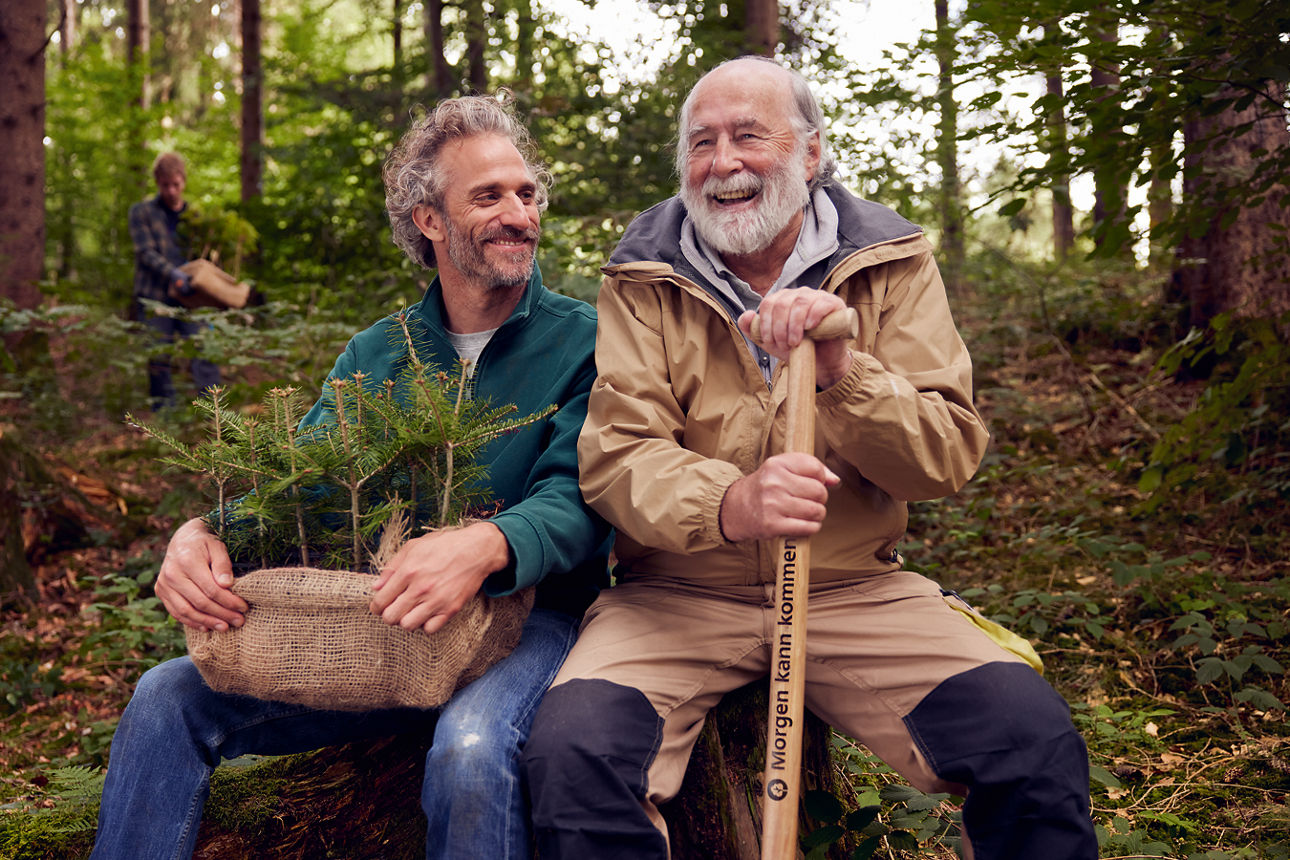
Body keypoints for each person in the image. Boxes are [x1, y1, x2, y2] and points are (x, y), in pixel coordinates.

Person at [520, 57, 1098, 859]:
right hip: (674, 596)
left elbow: (946, 456)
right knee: (574, 753)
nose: (723, 163)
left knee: (1027, 741)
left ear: (812, 152)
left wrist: (841, 374)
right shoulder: (642, 277)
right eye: (702, 143)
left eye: (749, 136)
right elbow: (618, 455)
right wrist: (730, 504)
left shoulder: (889, 261)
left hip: (857, 590)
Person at [91, 94, 611, 860]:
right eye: (489, 196)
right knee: (166, 696)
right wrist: (201, 534)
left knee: (469, 749)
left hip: (528, 625)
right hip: (386, 631)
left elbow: (585, 494)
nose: (519, 214)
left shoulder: (587, 339)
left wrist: (489, 544)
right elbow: (303, 484)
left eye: (527, 193)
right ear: (429, 220)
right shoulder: (379, 354)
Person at [128, 152, 222, 410]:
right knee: (159, 355)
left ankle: (214, 415)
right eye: (165, 185)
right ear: (157, 182)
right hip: (155, 296)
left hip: (193, 298)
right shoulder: (142, 212)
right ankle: (164, 417)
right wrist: (174, 274)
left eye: (175, 184)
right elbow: (146, 252)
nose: (170, 190)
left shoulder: (196, 217)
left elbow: (206, 256)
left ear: (184, 182)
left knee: (203, 351)